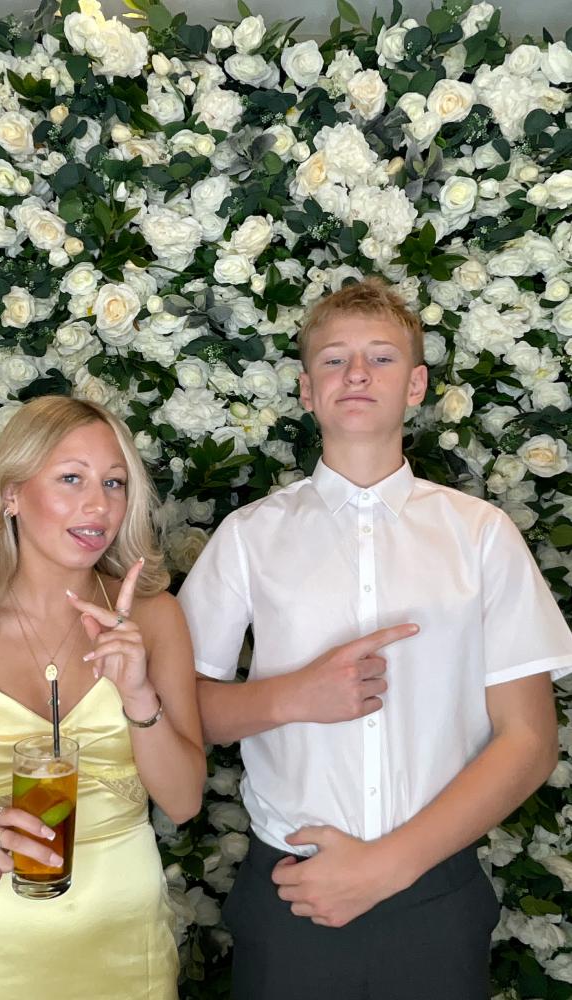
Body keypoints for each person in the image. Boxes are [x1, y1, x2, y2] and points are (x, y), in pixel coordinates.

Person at [177, 278, 572, 1000]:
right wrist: (294, 696)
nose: (356, 373)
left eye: (381, 358)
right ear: (307, 390)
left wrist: (388, 866)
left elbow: (529, 740)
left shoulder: (481, 535)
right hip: (290, 891)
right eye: (334, 359)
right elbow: (179, 712)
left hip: (436, 892)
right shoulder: (249, 537)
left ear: (416, 385)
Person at [0, 394, 205, 1000]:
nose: (98, 505)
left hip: (127, 954)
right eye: (71, 478)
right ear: (12, 493)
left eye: (113, 482)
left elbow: (183, 803)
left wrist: (137, 694)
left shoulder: (154, 618)